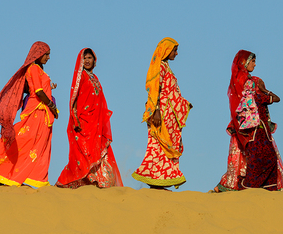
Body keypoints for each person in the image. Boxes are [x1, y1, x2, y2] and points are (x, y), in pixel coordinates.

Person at [213, 50, 283, 192]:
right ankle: (241, 185)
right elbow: (241, 103)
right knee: (251, 156)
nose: (255, 64)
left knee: (264, 155)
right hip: (246, 127)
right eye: (252, 61)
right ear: (244, 63)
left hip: (257, 125)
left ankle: (259, 185)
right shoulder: (240, 80)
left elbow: (264, 98)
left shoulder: (253, 80)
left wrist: (263, 90)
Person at [0, 41, 58, 187]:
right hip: (36, 110)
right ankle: (2, 171)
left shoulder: (38, 69)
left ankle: (30, 178)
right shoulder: (33, 68)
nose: (48, 57)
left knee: (38, 146)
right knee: (24, 141)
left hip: (42, 112)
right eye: (46, 54)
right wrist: (52, 106)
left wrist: (49, 89)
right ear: (38, 54)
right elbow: (38, 91)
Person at [56, 48, 122, 189]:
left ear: (94, 61)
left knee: (97, 151)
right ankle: (74, 180)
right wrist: (75, 118)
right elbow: (73, 98)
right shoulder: (80, 77)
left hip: (96, 123)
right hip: (82, 122)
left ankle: (99, 180)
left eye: (89, 58)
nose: (87, 60)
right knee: (82, 154)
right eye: (84, 58)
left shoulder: (95, 78)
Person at [132, 37, 192, 190]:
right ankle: (155, 183)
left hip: (169, 115)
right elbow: (154, 91)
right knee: (157, 147)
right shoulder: (159, 67)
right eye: (175, 50)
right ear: (167, 50)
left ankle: (160, 181)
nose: (177, 53)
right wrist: (156, 110)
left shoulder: (166, 67)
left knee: (163, 148)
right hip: (161, 114)